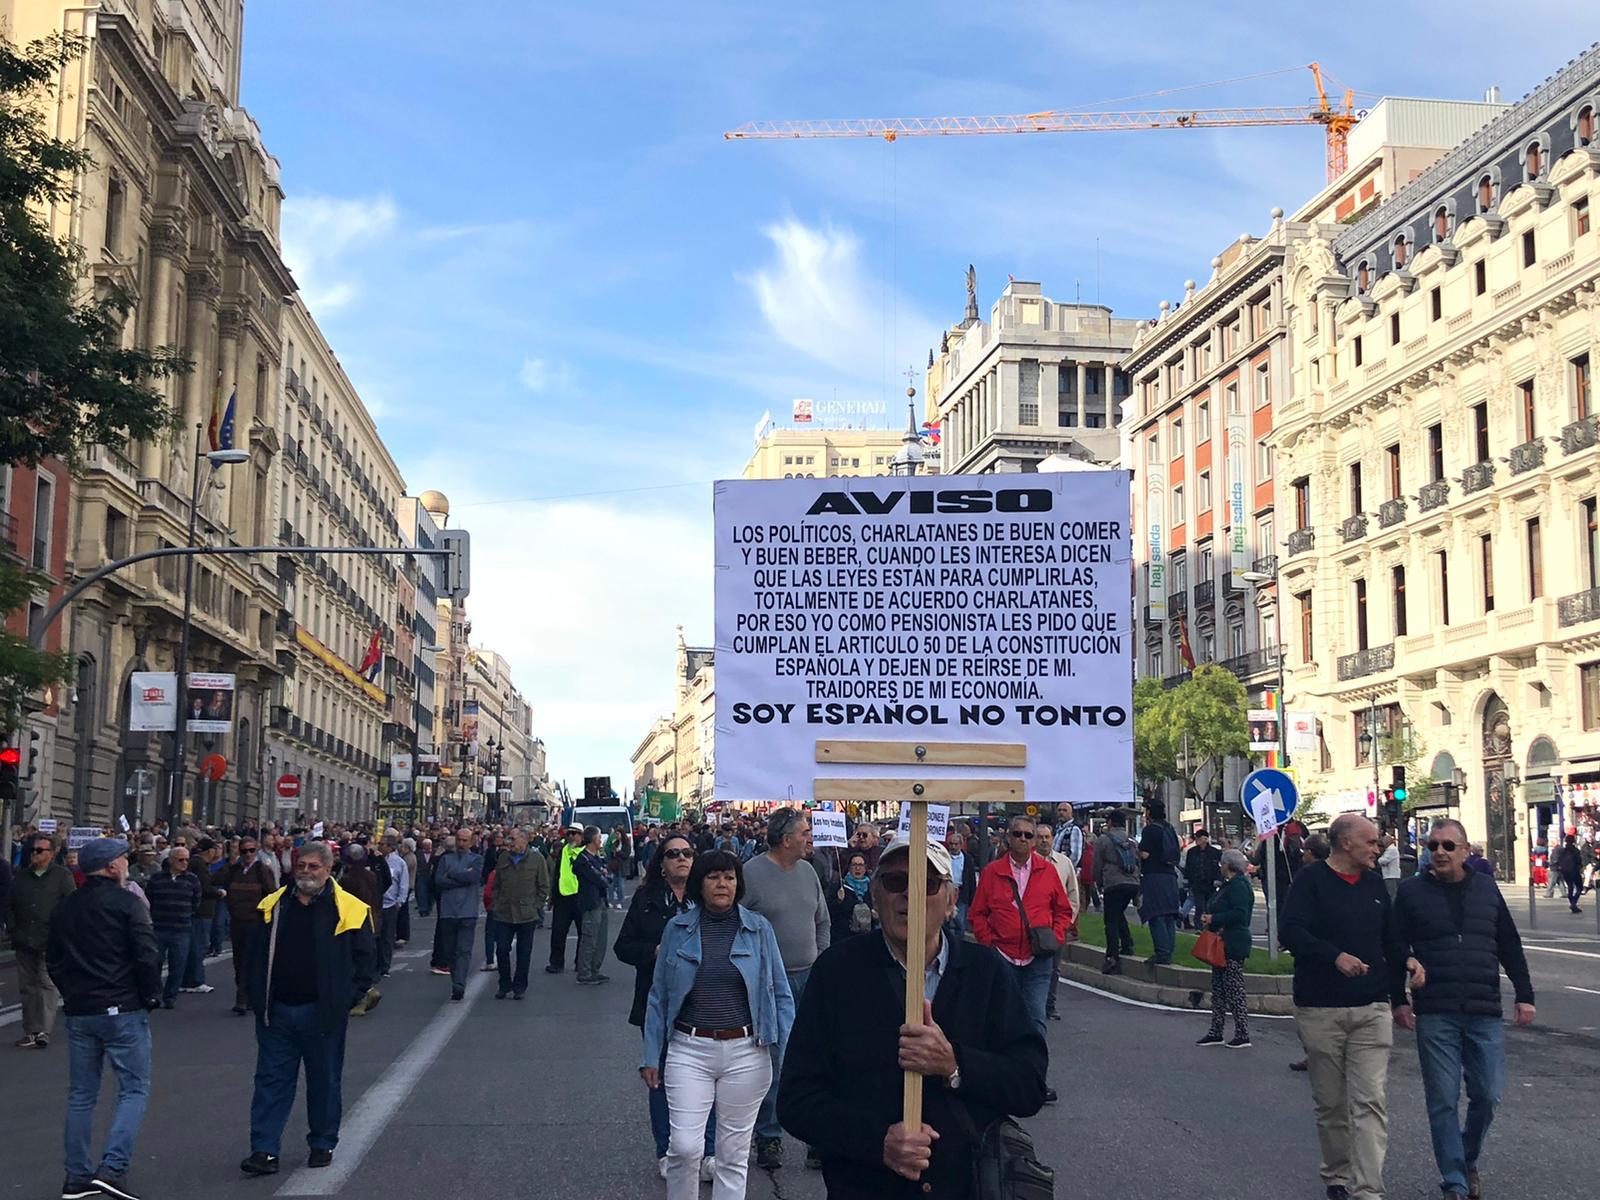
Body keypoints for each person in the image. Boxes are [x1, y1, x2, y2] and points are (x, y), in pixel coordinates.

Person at [778, 836, 1048, 1200]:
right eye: (894, 882)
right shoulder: (838, 972)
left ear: (951, 900)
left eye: (928, 883)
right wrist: (878, 1142)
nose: (910, 893)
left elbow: (1028, 1086)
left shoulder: (987, 973)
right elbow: (797, 1100)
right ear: (875, 896)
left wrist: (954, 1065)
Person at [1280, 813, 1423, 1200]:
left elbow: (1389, 940)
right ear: (1346, 844)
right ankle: (1337, 1175)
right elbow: (1291, 931)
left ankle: (1367, 1190)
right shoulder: (1311, 881)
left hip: (1371, 1007)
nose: (1378, 848)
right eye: (1371, 842)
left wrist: (1406, 965)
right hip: (1321, 1007)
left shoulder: (1375, 885)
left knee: (1370, 1101)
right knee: (1332, 1104)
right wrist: (1334, 957)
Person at [1393, 819, 1536, 1200]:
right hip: (1436, 1010)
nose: (1439, 852)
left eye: (1448, 846)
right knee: (1442, 1098)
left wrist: (1525, 994)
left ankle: (1466, 1157)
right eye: (1433, 845)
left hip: (1483, 1009)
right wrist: (1398, 997)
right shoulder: (1410, 893)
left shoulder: (1487, 890)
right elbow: (1393, 945)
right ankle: (1455, 1181)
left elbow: (1509, 943)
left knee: (1488, 1094)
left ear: (1466, 851)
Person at [641, 849, 793, 1200]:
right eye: (713, 877)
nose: (722, 884)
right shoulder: (677, 929)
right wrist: (651, 1055)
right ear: (700, 883)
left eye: (729, 877)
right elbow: (658, 996)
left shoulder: (759, 929)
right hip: (688, 1049)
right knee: (684, 1147)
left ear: (738, 884)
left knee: (733, 1155)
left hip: (747, 1053)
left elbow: (781, 995)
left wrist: (790, 1051)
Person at [240, 840, 377, 1176]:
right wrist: (257, 996)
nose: (306, 872)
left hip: (323, 1012)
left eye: (314, 866)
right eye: (301, 865)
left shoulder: (350, 908)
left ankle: (322, 1143)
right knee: (271, 1082)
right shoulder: (273, 905)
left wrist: (346, 998)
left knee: (324, 1081)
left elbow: (366, 961)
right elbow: (253, 954)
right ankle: (264, 1150)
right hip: (278, 1011)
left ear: (329, 870)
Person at [47, 838, 160, 1200]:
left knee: (81, 1095)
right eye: (124, 859)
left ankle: (76, 1176)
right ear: (112, 866)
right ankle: (113, 1168)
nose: (127, 863)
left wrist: (72, 993)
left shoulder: (65, 908)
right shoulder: (128, 903)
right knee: (133, 1089)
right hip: (122, 1006)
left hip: (81, 1009)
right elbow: (146, 953)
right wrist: (150, 995)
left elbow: (55, 960)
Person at [615, 832, 717, 1179]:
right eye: (673, 854)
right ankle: (668, 1149)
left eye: (688, 853)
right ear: (662, 863)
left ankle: (708, 1150)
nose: (682, 859)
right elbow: (623, 946)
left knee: (706, 1076)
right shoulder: (646, 898)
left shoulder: (706, 899)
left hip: (703, 1001)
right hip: (657, 1003)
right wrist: (656, 952)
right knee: (659, 1076)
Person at [741, 806, 830, 1169]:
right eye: (805, 832)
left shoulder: (808, 871)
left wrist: (823, 960)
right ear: (785, 838)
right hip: (769, 984)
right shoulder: (751, 873)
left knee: (819, 1060)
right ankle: (770, 1136)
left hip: (810, 976)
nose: (810, 837)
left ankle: (818, 1138)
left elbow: (821, 919)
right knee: (776, 1062)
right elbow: (737, 923)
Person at [969, 812, 1070, 1102]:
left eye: (1030, 835)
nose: (1025, 840)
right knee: (1003, 1018)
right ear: (1008, 838)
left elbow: (1063, 910)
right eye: (1019, 834)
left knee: (1036, 1018)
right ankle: (1002, 1076)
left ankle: (1035, 1078)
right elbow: (978, 913)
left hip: (1038, 958)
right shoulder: (992, 872)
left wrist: (1056, 936)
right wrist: (989, 943)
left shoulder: (1047, 871)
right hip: (1003, 957)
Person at [8, 831, 75, 1048]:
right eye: (33, 850)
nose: (34, 854)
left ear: (52, 854)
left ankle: (44, 1031)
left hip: (50, 939)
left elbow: (70, 905)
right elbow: (9, 905)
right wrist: (13, 928)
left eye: (39, 850)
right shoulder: (21, 876)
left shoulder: (62, 876)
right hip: (24, 938)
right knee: (27, 987)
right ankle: (31, 1030)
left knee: (47, 984)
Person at [1197, 848, 1255, 1048]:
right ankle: (1216, 1030)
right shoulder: (1227, 885)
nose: (1220, 867)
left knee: (1234, 989)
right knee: (1219, 988)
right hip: (1221, 942)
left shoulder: (1238, 886)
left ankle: (1242, 1032)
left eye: (1222, 863)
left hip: (1233, 941)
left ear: (1228, 865)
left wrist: (1215, 918)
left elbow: (1240, 914)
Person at [490, 827, 550, 1000]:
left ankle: (519, 986)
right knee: (501, 950)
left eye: (513, 839)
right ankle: (504, 983)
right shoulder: (503, 857)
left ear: (524, 840)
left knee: (524, 953)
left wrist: (536, 905)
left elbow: (543, 886)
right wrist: (496, 902)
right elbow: (497, 884)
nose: (510, 842)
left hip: (526, 913)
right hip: (504, 912)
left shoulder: (537, 859)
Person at [223, 836, 279, 1015]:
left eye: (251, 850)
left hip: (254, 921)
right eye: (244, 851)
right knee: (239, 960)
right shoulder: (235, 869)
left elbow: (272, 894)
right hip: (237, 921)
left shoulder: (262, 870)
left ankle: (243, 998)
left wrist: (266, 919)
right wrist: (231, 861)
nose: (247, 854)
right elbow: (216, 879)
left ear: (257, 851)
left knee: (249, 959)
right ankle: (245, 994)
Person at [145, 845, 201, 1009]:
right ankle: (155, 995)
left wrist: (186, 914)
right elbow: (150, 899)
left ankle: (170, 996)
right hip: (160, 927)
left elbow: (196, 902)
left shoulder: (192, 880)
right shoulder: (156, 879)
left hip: (181, 929)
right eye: (180, 860)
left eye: (186, 860)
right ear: (171, 861)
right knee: (155, 964)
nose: (184, 863)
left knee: (178, 965)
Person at [1034, 823, 1079, 1023]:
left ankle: (1049, 1006)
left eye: (1047, 837)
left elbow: (1073, 895)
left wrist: (1066, 921)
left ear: (1053, 839)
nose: (1044, 840)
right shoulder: (1028, 862)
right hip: (1034, 924)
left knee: (1053, 968)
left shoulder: (1064, 862)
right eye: (1040, 837)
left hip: (1056, 926)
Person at [432, 828, 484, 1000]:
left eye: (465, 840)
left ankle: (459, 984)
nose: (461, 844)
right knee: (450, 951)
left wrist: (452, 875)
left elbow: (473, 877)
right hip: (448, 912)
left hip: (467, 912)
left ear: (471, 842)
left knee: (463, 950)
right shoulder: (446, 859)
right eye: (459, 840)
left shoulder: (476, 859)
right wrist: (461, 877)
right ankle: (456, 979)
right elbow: (439, 881)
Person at [1093, 808, 1140, 975]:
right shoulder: (1132, 840)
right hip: (1131, 884)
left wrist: (1099, 883)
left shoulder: (1103, 840)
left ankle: (1112, 957)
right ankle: (1127, 944)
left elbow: (1097, 865)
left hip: (1113, 883)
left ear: (1111, 822)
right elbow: (1138, 862)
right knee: (1118, 913)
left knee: (1110, 920)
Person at [1137, 798, 1182, 964]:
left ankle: (1161, 952)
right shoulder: (1169, 828)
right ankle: (1168, 951)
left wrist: (1136, 849)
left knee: (1155, 915)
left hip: (1154, 876)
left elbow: (1145, 854)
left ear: (1149, 812)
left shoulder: (1150, 830)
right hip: (1170, 875)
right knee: (1169, 915)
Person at [180, 838, 226, 994]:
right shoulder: (199, 865)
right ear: (210, 851)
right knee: (199, 946)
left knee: (195, 945)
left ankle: (188, 979)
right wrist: (218, 892)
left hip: (200, 911)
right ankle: (195, 980)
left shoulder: (197, 864)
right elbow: (204, 887)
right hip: (202, 911)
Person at [574, 825, 612, 984]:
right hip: (590, 902)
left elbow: (606, 877)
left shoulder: (597, 857)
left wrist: (605, 878)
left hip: (601, 901)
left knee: (601, 939)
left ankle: (594, 968)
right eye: (598, 838)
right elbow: (599, 879)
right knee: (589, 938)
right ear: (592, 840)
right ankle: (584, 972)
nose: (600, 841)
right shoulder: (583, 859)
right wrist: (604, 878)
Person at [546, 825, 585, 973]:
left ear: (581, 836)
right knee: (558, 931)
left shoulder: (585, 851)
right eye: (569, 833)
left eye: (574, 833)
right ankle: (556, 962)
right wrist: (552, 896)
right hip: (563, 896)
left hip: (580, 897)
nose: (570, 836)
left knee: (583, 932)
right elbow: (557, 874)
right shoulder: (563, 851)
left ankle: (580, 962)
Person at [376, 831, 409, 978]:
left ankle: (385, 966)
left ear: (390, 847)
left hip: (390, 904)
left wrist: (400, 901)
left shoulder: (399, 862)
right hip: (376, 903)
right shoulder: (375, 860)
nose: (379, 847)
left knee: (387, 936)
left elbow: (403, 883)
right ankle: (374, 964)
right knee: (375, 935)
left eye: (382, 845)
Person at [827, 849, 874, 944]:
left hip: (866, 939)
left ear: (865, 868)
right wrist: (839, 901)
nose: (857, 868)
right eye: (854, 865)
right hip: (843, 939)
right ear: (849, 867)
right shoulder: (839, 887)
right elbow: (829, 912)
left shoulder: (873, 888)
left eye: (861, 865)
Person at [1183, 827, 1223, 921]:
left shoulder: (1215, 852)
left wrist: (1219, 879)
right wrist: (1186, 879)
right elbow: (1188, 867)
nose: (1197, 841)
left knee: (1210, 905)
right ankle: (1199, 924)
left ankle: (1209, 923)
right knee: (1199, 905)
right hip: (1196, 883)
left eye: (1198, 839)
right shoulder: (1192, 852)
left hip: (1210, 882)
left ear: (1205, 839)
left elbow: (1219, 867)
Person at [1553, 834, 1583, 912]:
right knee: (1579, 888)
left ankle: (1573, 904)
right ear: (1573, 841)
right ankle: (1574, 903)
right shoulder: (1575, 850)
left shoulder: (1562, 851)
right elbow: (1579, 861)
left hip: (1565, 871)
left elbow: (1559, 860)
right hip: (1574, 871)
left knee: (1570, 887)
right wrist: (1580, 868)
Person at [1377, 835, 1402, 900]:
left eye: (1384, 841)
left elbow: (1382, 861)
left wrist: (1379, 859)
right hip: (1391, 875)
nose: (1383, 843)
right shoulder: (1390, 849)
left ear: (1388, 842)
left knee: (1392, 894)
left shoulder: (1391, 850)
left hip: (1391, 876)